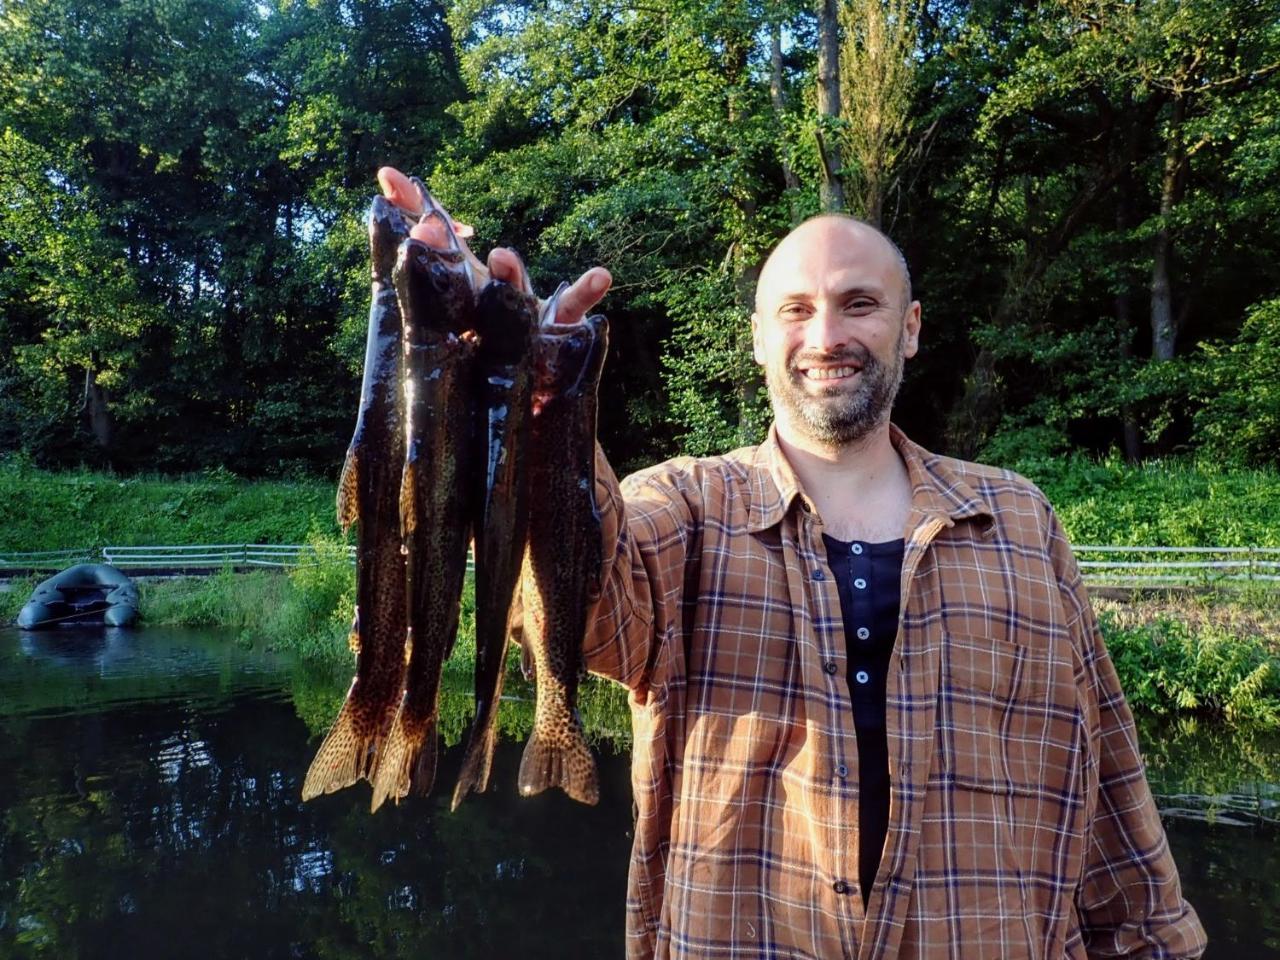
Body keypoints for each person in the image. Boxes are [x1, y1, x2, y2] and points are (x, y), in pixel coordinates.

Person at [378, 169, 1206, 959]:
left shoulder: (1023, 521)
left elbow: (1109, 782)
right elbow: (589, 603)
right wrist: (512, 386)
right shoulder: (686, 507)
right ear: (758, 340)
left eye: (859, 305)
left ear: (910, 327)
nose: (826, 336)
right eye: (797, 310)